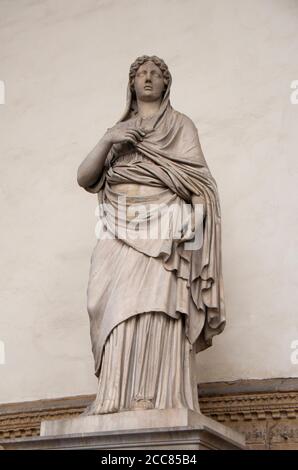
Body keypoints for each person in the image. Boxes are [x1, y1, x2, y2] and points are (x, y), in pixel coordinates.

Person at [77, 55, 226, 415]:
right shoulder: (118, 130)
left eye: (155, 74)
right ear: (130, 84)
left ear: (166, 84)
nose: (147, 78)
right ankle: (113, 395)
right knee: (111, 302)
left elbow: (200, 182)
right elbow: (84, 178)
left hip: (167, 227)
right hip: (117, 223)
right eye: (141, 73)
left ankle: (157, 396)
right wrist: (109, 138)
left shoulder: (180, 126)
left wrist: (191, 218)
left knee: (157, 306)